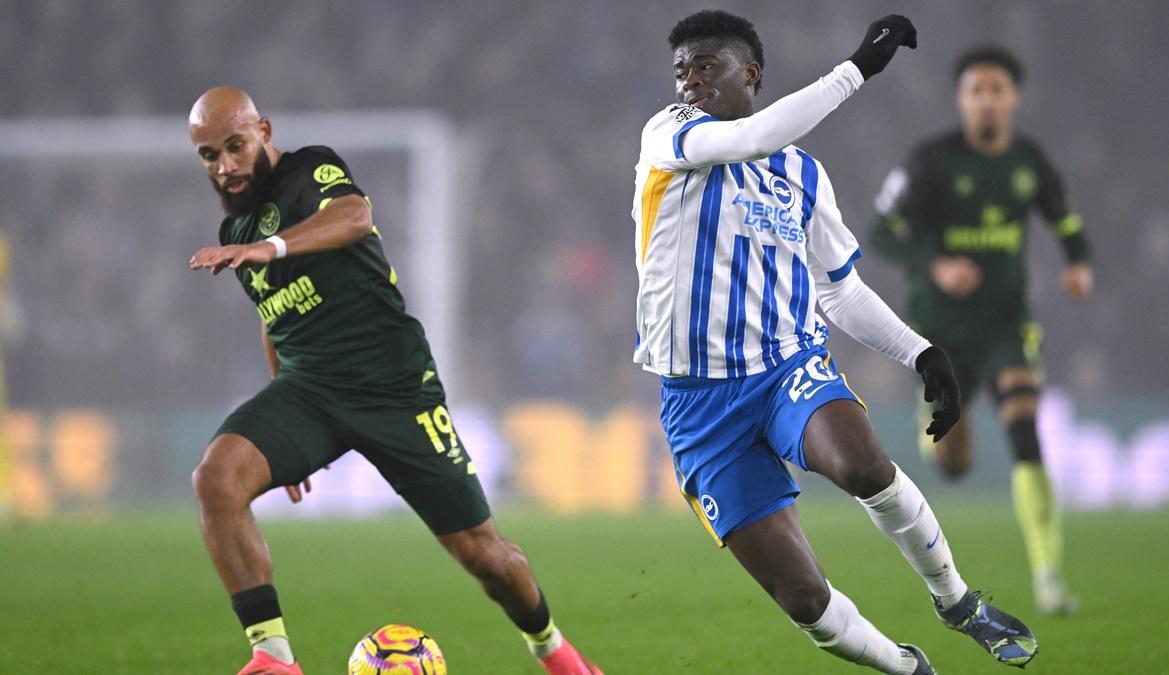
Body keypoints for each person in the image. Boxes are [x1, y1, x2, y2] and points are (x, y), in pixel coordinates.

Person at [632, 11, 1038, 673]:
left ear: (750, 73)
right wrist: (858, 69)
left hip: (784, 368)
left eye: (707, 67)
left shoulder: (803, 178)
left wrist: (922, 352)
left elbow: (840, 290)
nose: (690, 82)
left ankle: (957, 600)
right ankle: (908, 667)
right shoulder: (670, 135)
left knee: (861, 463)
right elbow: (755, 134)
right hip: (698, 406)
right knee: (802, 596)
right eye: (682, 70)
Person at [187, 87, 601, 675]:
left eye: (234, 146)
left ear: (265, 131)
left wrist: (270, 246)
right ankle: (273, 658)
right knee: (216, 478)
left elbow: (355, 217)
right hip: (310, 392)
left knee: (483, 555)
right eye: (209, 155)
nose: (225, 166)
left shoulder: (310, 170)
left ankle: (554, 651)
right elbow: (272, 318)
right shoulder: (236, 231)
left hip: (396, 388)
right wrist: (282, 411)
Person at [870, 46, 1092, 615]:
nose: (986, 100)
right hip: (938, 334)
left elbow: (1066, 222)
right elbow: (880, 232)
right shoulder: (930, 161)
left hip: (1005, 324)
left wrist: (1077, 262)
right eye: (976, 90)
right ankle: (938, 433)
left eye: (997, 90)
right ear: (961, 100)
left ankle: (1049, 576)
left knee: (1024, 424)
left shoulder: (1028, 162)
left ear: (1013, 99)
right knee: (954, 463)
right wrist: (936, 262)